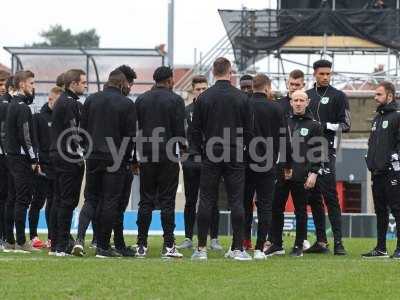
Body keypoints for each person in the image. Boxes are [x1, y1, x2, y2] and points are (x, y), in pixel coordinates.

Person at [190, 57, 252, 261]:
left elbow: (195, 130)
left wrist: (200, 150)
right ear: (230, 72)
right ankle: (237, 248)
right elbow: (249, 131)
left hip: (211, 151)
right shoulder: (242, 98)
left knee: (206, 199)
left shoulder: (203, 98)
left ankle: (200, 249)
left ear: (213, 72)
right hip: (235, 151)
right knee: (237, 200)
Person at [72, 65, 138, 257]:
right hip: (115, 158)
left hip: (92, 156)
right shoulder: (126, 104)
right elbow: (130, 137)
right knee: (110, 200)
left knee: (91, 198)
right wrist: (126, 160)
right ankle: (102, 246)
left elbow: (81, 131)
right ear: (122, 83)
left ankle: (80, 239)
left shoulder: (91, 99)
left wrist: (88, 150)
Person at [135, 66, 185, 259]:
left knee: (145, 200)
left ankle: (141, 244)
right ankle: (169, 245)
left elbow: (136, 129)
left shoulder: (141, 99)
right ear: (170, 80)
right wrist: (183, 149)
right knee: (167, 201)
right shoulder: (175, 100)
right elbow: (179, 130)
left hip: (146, 155)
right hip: (168, 155)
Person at [268, 90, 325, 257]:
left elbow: (318, 151)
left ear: (307, 102)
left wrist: (314, 173)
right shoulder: (284, 122)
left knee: (300, 210)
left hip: (302, 174)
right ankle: (276, 244)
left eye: (301, 100)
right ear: (291, 102)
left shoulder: (314, 125)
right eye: (295, 100)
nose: (298, 103)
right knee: (276, 207)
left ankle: (298, 245)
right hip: (282, 172)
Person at [305, 60, 350, 255]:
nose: (325, 77)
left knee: (330, 196)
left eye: (328, 74)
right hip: (305, 152)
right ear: (314, 73)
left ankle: (339, 242)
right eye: (322, 73)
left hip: (326, 150)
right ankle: (321, 241)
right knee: (312, 197)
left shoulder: (338, 96)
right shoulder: (306, 96)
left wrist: (324, 125)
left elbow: (346, 125)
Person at [244, 74, 291, 260]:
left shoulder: (244, 105)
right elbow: (284, 138)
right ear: (267, 88)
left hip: (245, 162)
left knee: (243, 203)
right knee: (265, 206)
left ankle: (239, 244)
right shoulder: (276, 108)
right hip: (268, 163)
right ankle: (259, 248)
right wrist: (287, 164)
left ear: (253, 87)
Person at [177, 75, 222, 251]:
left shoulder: (216, 109)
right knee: (190, 200)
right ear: (192, 91)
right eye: (198, 89)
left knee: (213, 200)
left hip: (211, 159)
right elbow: (179, 134)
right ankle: (188, 237)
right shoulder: (185, 111)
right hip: (191, 161)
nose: (202, 92)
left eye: (204, 89)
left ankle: (214, 239)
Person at [50, 69, 87, 256]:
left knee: (58, 199)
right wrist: (82, 153)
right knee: (67, 201)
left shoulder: (63, 101)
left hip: (58, 155)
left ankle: (57, 240)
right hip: (67, 157)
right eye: (83, 82)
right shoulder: (69, 103)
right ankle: (61, 244)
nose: (85, 85)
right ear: (73, 83)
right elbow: (74, 132)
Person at [362, 81, 400, 259]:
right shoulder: (377, 118)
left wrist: (394, 164)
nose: (375, 98)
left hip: (392, 173)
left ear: (389, 96)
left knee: (397, 209)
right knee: (380, 211)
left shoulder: (397, 116)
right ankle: (381, 248)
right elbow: (372, 144)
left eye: (379, 94)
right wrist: (370, 161)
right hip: (376, 172)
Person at [4, 70, 39, 253]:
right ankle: (21, 241)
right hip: (21, 159)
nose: (34, 87)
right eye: (32, 83)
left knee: (12, 199)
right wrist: (34, 158)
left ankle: (9, 240)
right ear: (23, 84)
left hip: (10, 157)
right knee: (22, 200)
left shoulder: (11, 105)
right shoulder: (23, 108)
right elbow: (25, 136)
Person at [30, 86, 62, 249]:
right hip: (42, 166)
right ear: (50, 99)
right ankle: (33, 236)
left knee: (53, 201)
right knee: (37, 201)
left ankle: (52, 236)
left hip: (57, 166)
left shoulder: (61, 117)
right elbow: (34, 141)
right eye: (55, 100)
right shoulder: (39, 117)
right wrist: (36, 161)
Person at [0, 70, 11, 250]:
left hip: (6, 156)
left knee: (4, 197)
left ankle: (4, 237)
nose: (2, 88)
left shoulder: (8, 105)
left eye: (4, 85)